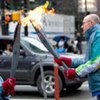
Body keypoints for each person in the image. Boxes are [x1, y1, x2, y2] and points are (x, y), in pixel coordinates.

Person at [54, 14, 100, 100]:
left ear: (90, 23)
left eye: (83, 23)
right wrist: (69, 61)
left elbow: (96, 62)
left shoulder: (98, 35)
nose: (82, 26)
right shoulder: (94, 36)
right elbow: (87, 60)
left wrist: (75, 72)